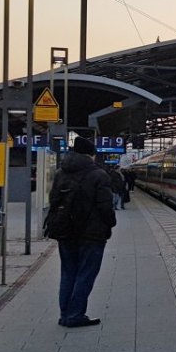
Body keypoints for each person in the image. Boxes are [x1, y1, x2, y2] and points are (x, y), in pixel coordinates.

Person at [50, 136, 116, 328]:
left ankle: (65, 314)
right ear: (90, 155)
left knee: (68, 272)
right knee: (86, 274)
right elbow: (105, 206)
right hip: (92, 234)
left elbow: (54, 200)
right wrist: (110, 223)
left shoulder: (60, 173)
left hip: (65, 231)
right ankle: (76, 314)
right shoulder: (99, 175)